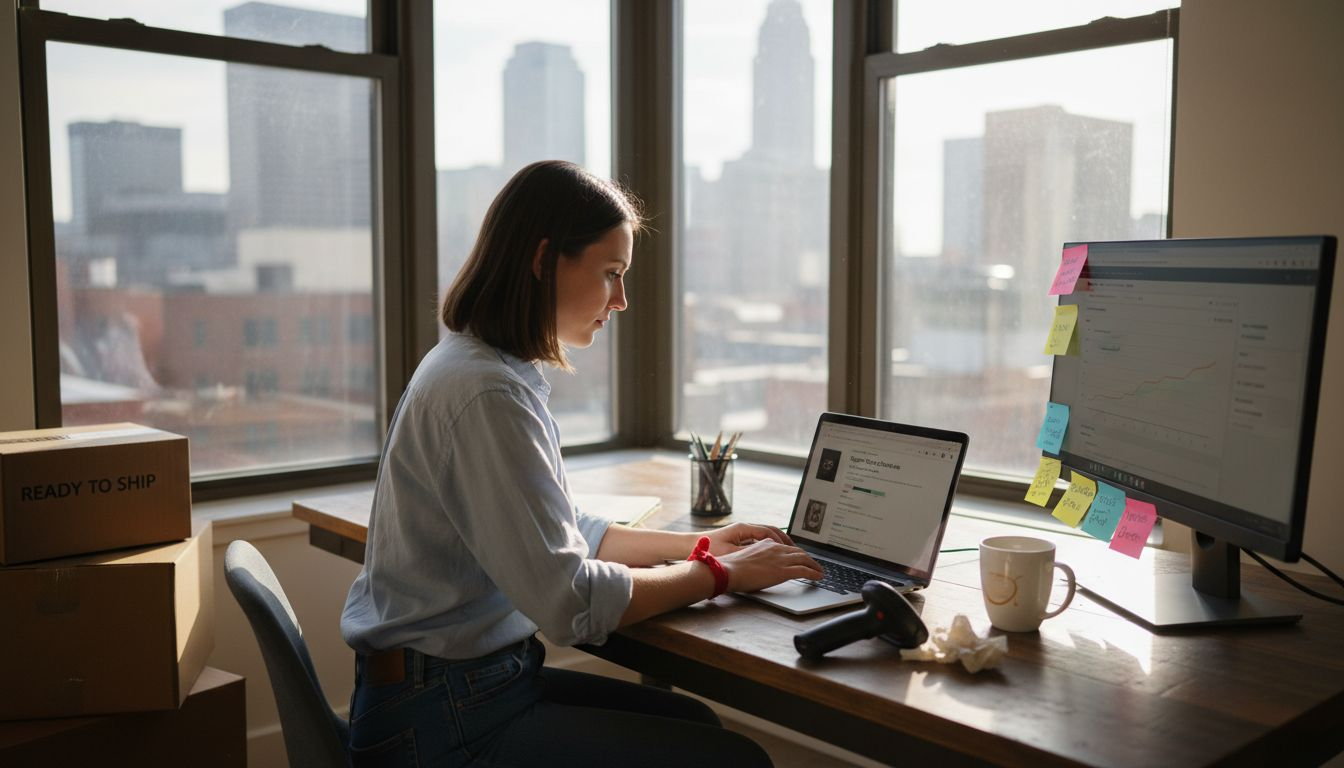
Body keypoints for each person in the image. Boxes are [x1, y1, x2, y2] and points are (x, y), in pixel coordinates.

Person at [341, 160, 824, 767]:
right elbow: (568, 601)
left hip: (457, 690)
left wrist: (701, 545)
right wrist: (722, 575)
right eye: (611, 274)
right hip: (442, 719)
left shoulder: (485, 368)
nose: (621, 300)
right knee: (731, 759)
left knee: (694, 723)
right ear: (544, 260)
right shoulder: (487, 392)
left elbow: (564, 532)